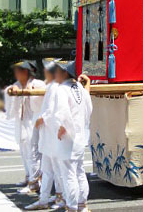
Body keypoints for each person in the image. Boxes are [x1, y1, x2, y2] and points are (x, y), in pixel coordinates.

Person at [25, 59, 64, 211]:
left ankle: (60, 198)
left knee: (58, 169)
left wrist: (43, 118)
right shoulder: (50, 85)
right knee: (47, 169)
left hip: (53, 132)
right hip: (47, 133)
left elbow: (58, 110)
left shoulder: (58, 86)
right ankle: (43, 199)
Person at [54, 60, 92, 212]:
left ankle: (72, 206)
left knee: (69, 173)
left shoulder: (62, 89)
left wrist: (63, 127)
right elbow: (88, 106)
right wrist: (87, 84)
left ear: (65, 73)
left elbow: (63, 112)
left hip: (69, 137)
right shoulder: (80, 89)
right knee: (79, 171)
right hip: (80, 136)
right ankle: (82, 205)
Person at [5, 60, 45, 193]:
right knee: (23, 151)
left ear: (26, 72)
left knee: (33, 153)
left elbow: (43, 100)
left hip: (33, 121)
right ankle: (29, 176)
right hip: (21, 122)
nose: (16, 74)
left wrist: (28, 92)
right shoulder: (16, 85)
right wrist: (13, 92)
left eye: (18, 71)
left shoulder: (38, 84)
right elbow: (9, 96)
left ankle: (35, 181)